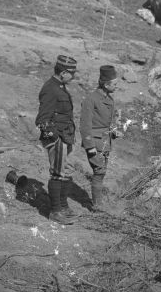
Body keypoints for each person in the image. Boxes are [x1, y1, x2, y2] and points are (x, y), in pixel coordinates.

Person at [35, 55, 79, 225]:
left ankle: (63, 205)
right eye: (71, 74)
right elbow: (42, 120)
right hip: (57, 137)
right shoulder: (50, 88)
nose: (73, 77)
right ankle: (55, 211)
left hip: (65, 135)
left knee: (66, 171)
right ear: (64, 73)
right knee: (58, 172)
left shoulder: (59, 86)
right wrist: (54, 138)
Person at [80, 65, 123, 211]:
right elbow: (85, 125)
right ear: (106, 84)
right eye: (114, 84)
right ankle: (97, 207)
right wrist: (89, 146)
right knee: (99, 172)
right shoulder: (91, 100)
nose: (117, 87)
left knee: (101, 172)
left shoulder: (109, 99)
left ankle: (98, 204)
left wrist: (114, 131)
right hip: (95, 142)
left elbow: (109, 122)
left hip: (105, 142)